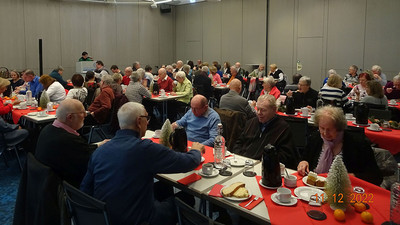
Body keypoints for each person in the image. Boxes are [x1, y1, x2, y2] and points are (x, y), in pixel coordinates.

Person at [81, 102, 204, 225]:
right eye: (147, 118)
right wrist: (196, 151)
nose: (148, 122)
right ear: (139, 122)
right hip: (138, 218)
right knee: (187, 197)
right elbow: (187, 163)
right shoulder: (144, 149)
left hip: (105, 216)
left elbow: (85, 189)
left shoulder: (100, 150)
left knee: (164, 186)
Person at [297, 106, 382, 185]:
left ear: (339, 128)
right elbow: (305, 158)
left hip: (344, 190)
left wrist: (350, 177)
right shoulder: (316, 138)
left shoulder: (358, 144)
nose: (325, 133)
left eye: (330, 129)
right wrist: (303, 162)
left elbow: (375, 177)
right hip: (314, 188)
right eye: (322, 128)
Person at [35, 99, 106, 188]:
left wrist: (98, 145)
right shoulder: (68, 140)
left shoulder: (47, 129)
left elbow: (82, 150)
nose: (85, 115)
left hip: (45, 182)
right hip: (62, 188)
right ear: (70, 117)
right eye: (82, 112)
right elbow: (88, 161)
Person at [232, 94, 299, 169]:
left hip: (264, 167)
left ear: (274, 110)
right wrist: (239, 157)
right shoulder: (251, 122)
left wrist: (265, 161)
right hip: (242, 163)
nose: (259, 113)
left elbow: (286, 155)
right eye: (258, 109)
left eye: (263, 110)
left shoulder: (283, 128)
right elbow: (239, 142)